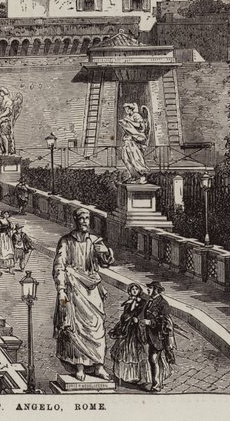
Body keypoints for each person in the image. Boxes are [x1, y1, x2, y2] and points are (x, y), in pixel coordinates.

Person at [53, 207, 115, 381]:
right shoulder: (66, 241)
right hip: (74, 289)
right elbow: (59, 266)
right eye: (81, 218)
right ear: (75, 220)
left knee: (97, 327)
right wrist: (61, 290)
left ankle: (98, 365)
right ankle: (79, 366)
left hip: (92, 288)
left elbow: (105, 263)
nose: (84, 221)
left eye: (87, 218)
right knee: (77, 328)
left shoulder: (94, 241)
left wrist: (107, 255)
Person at [108, 284, 148, 387]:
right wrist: (128, 319)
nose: (134, 291)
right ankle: (127, 376)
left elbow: (143, 315)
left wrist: (137, 320)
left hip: (137, 331)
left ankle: (140, 377)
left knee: (138, 353)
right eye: (132, 289)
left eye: (136, 289)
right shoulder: (128, 302)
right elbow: (124, 315)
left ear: (139, 290)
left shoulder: (142, 302)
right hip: (128, 330)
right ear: (129, 291)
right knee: (124, 351)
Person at [140, 281, 175, 392]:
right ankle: (158, 381)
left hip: (159, 337)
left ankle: (157, 385)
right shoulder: (150, 301)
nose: (148, 290)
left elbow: (165, 322)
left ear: (156, 289)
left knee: (154, 359)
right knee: (155, 359)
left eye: (150, 288)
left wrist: (150, 322)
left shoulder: (163, 303)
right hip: (150, 335)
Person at [117, 101, 151, 182]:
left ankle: (142, 175)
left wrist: (128, 122)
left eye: (127, 109)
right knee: (125, 158)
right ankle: (134, 176)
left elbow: (140, 126)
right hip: (127, 139)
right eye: (125, 110)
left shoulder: (136, 115)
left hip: (134, 140)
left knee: (135, 158)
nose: (126, 111)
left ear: (131, 109)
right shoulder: (127, 116)